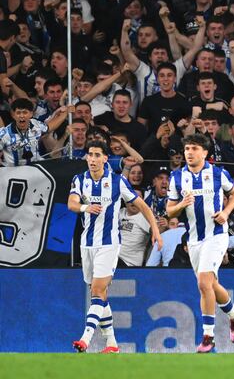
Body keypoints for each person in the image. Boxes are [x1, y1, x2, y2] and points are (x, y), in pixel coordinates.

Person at [68, 140, 163, 353]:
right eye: (89, 155)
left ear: (105, 158)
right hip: (87, 243)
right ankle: (112, 344)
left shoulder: (117, 181)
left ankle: (86, 339)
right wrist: (85, 206)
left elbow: (143, 206)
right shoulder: (79, 180)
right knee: (98, 296)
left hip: (109, 244)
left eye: (96, 155)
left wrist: (155, 230)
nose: (92, 159)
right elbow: (71, 203)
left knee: (98, 289)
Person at [166, 133, 234, 353]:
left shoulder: (218, 173)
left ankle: (208, 336)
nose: (189, 152)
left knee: (203, 284)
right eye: (187, 148)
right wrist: (181, 204)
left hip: (217, 235)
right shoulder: (177, 177)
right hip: (193, 240)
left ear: (205, 153)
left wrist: (226, 212)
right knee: (210, 284)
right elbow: (169, 210)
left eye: (194, 148)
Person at [0, 98, 69, 166]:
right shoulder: (4, 134)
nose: (21, 116)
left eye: (25, 112)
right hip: (13, 171)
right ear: (13, 115)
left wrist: (66, 112)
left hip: (35, 169)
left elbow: (50, 127)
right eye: (18, 113)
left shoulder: (36, 124)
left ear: (31, 114)